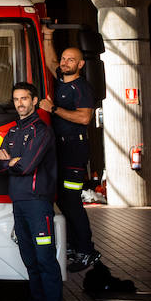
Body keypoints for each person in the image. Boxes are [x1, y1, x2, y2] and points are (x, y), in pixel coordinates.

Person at [0, 82, 63, 301]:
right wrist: (9, 160)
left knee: (45, 261)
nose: (20, 103)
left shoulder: (41, 131)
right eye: (16, 99)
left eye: (24, 98)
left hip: (38, 204)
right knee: (30, 261)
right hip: (19, 204)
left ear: (34, 101)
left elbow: (27, 166)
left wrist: (8, 160)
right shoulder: (12, 132)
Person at [41, 44, 100, 272]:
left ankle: (87, 252)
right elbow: (51, 60)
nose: (65, 63)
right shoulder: (61, 77)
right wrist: (48, 35)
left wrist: (53, 109)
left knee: (72, 202)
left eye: (71, 60)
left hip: (75, 151)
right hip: (60, 151)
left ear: (80, 65)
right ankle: (76, 247)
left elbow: (85, 118)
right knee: (64, 201)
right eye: (64, 59)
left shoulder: (81, 87)